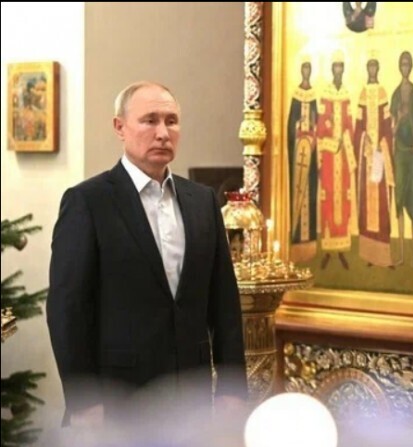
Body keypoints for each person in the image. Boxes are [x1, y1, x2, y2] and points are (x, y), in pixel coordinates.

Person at [47, 81, 247, 427]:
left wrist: (232, 390)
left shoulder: (202, 201)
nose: (163, 133)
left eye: (171, 121)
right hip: (119, 402)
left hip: (193, 401)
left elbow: (224, 303)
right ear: (120, 127)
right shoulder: (88, 202)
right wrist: (84, 402)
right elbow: (68, 310)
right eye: (150, 120)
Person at [316, 50, 357, 270]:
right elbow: (321, 128)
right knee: (329, 200)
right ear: (332, 70)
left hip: (343, 157)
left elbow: (350, 125)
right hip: (330, 158)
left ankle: (341, 250)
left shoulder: (347, 94)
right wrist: (333, 141)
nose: (339, 70)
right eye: (336, 67)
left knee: (344, 200)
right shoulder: (326, 94)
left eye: (341, 67)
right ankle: (328, 250)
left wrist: (346, 143)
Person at [353, 53, 395, 267]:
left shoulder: (382, 93)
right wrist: (364, 139)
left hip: (379, 155)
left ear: (377, 69)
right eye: (369, 66)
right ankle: (369, 254)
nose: (372, 69)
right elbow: (358, 126)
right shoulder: (362, 93)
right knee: (366, 205)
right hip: (366, 156)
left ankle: (382, 255)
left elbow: (387, 125)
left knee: (381, 205)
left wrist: (382, 143)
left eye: (374, 66)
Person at [390, 51, 413, 268]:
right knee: (399, 199)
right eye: (402, 64)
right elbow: (392, 129)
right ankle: (402, 253)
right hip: (400, 154)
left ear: (411, 67)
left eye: (407, 64)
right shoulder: (396, 95)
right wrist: (399, 120)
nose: (405, 67)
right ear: (399, 67)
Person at [287, 56, 319, 263]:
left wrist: (313, 134)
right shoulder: (296, 96)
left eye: (309, 68)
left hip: (311, 151)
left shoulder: (314, 95)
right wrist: (298, 131)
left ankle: (311, 241)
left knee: (311, 191)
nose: (306, 71)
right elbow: (291, 125)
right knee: (298, 191)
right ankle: (297, 239)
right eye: (304, 68)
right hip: (299, 151)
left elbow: (318, 122)